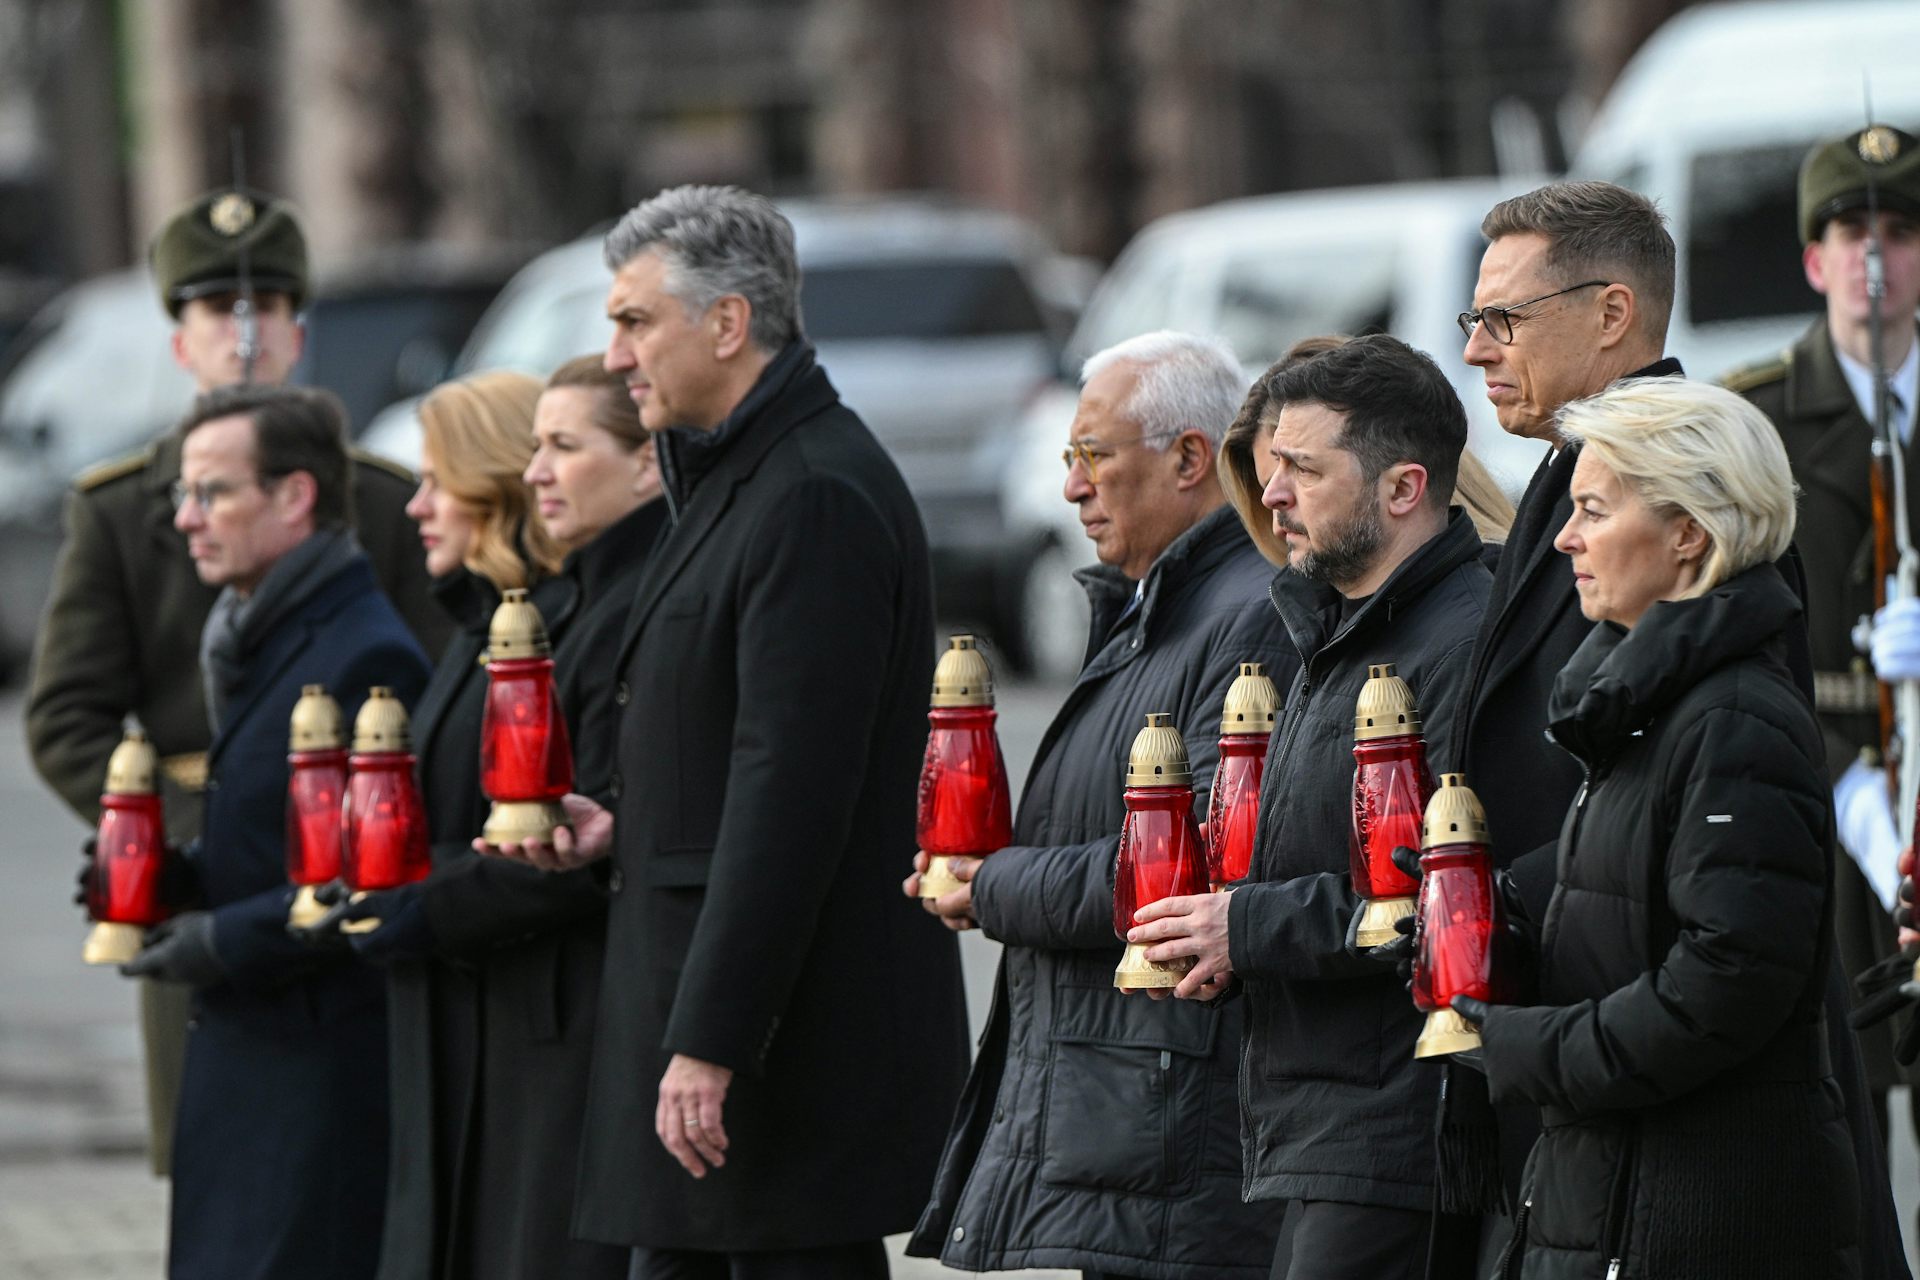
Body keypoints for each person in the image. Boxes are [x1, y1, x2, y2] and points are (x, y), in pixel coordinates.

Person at [492, 184, 968, 1278]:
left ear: (727, 323)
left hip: (775, 1059)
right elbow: (724, 747)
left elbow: (791, 791)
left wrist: (712, 1038)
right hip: (717, 1048)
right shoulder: (731, 476)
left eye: (634, 321)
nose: (616, 355)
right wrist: (624, 823)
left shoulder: (812, 491)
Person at [27, 186, 440, 1177]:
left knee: (357, 1161)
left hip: (353, 878)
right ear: (180, 342)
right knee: (221, 1166)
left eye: (267, 308)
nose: (243, 336)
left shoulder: (382, 501)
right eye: (218, 311)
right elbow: (68, 714)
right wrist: (184, 835)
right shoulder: (122, 511)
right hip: (203, 886)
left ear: (299, 331)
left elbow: (433, 698)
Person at [905, 331, 1291, 1279]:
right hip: (1138, 1110)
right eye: (1068, 457)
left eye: (1093, 454)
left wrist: (991, 885)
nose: (1073, 486)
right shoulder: (1156, 605)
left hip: (1181, 1124)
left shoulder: (1247, 614)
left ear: (1191, 458)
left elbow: (1185, 872)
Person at [1462, 377, 1858, 1279]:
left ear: (1689, 533)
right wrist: (1486, 928)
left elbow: (1725, 987)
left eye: (1594, 510)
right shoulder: (1643, 711)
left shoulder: (1734, 719)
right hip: (1620, 1194)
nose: (1565, 537)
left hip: (1697, 1217)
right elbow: (1626, 931)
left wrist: (1528, 1047)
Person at [1130, 334, 1491, 1280]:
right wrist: (1227, 936)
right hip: (1317, 1116)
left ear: (1404, 489)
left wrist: (1247, 928)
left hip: (1399, 1126)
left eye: (1303, 469)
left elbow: (1447, 900)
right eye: (1271, 466)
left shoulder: (1463, 642)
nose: (1273, 493)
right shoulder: (1331, 632)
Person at [317, 360, 665, 1280]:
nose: (417, 505)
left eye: (440, 479)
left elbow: (572, 827)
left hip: (543, 1019)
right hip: (480, 1010)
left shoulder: (565, 625)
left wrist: (422, 901)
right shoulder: (485, 628)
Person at [124, 382, 430, 1278]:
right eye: (184, 493)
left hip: (312, 1072)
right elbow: (277, 835)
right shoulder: (257, 632)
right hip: (252, 1061)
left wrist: (222, 940)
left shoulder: (363, 653)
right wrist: (176, 876)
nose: (187, 518)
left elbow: (368, 880)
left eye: (213, 492)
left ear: (295, 496)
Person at [1723, 124, 1920, 1162]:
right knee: (1840, 1141)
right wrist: (1844, 780)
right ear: (1813, 258)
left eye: (1900, 230)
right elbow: (1731, 622)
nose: (1874, 255)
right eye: (1851, 231)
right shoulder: (1755, 421)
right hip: (1814, 794)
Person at [1219, 336, 1516, 563]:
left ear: (1403, 487)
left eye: (1303, 470)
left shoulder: (1487, 601)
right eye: (1268, 486)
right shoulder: (1326, 602)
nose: (1276, 519)